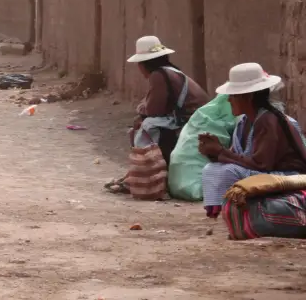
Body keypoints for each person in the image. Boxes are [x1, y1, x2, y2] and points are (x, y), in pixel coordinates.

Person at [200, 63, 306, 218]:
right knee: (212, 168)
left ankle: (240, 212)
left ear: (248, 97)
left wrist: (220, 151)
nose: (229, 100)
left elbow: (262, 164)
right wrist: (213, 152)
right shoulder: (244, 122)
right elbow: (237, 157)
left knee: (227, 172)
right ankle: (227, 211)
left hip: (287, 176)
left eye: (234, 96)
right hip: (264, 172)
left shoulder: (268, 120)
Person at [106, 36, 209, 195]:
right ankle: (135, 176)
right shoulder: (169, 72)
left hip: (189, 121)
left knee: (145, 127)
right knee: (141, 123)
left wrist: (141, 110)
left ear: (143, 64)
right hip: (192, 118)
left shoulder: (159, 75)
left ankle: (146, 177)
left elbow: (153, 109)